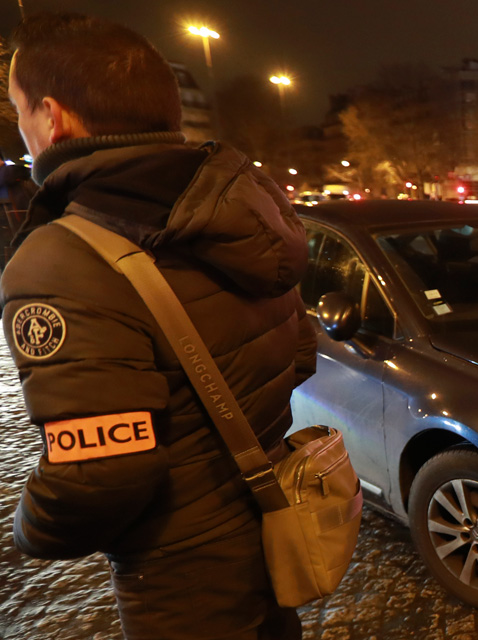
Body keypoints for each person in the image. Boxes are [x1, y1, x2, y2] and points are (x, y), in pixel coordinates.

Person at [2, 13, 316, 639]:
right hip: (272, 520)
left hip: (182, 571)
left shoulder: (63, 257)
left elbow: (99, 474)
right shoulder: (244, 210)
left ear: (52, 117)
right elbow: (299, 354)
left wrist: (26, 529)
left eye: (18, 113)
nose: (21, 130)